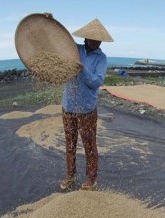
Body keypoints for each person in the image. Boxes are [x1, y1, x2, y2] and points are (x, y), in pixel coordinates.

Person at [59, 18, 114, 191]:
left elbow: (96, 82)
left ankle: (91, 178)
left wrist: (83, 69)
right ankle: (70, 175)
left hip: (87, 109)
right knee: (70, 144)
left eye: (98, 39)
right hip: (68, 106)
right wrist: (50, 23)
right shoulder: (76, 50)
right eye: (92, 38)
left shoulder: (101, 58)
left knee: (89, 145)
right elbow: (58, 43)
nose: (95, 41)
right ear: (85, 37)